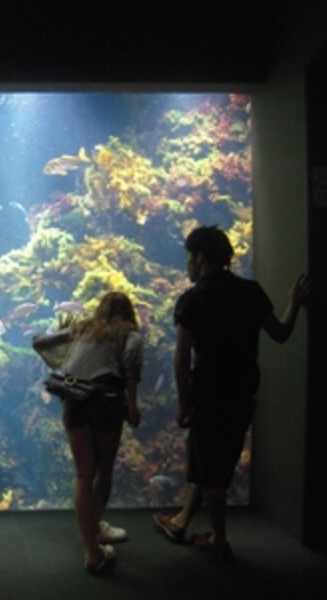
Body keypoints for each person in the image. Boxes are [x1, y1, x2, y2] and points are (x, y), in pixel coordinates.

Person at [153, 225, 310, 558]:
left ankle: (219, 539)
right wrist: (294, 303)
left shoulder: (192, 300)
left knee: (212, 473)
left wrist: (183, 403)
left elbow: (182, 359)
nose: (187, 264)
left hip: (207, 395)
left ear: (200, 258)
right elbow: (281, 333)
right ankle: (181, 521)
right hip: (241, 392)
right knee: (211, 459)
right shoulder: (250, 292)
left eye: (188, 257)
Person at [33, 292, 143, 573]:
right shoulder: (130, 334)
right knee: (103, 470)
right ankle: (94, 534)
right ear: (128, 313)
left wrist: (65, 360)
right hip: (107, 399)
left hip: (74, 398)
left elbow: (40, 342)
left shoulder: (82, 329)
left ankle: (92, 548)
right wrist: (132, 405)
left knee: (83, 474)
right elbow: (131, 367)